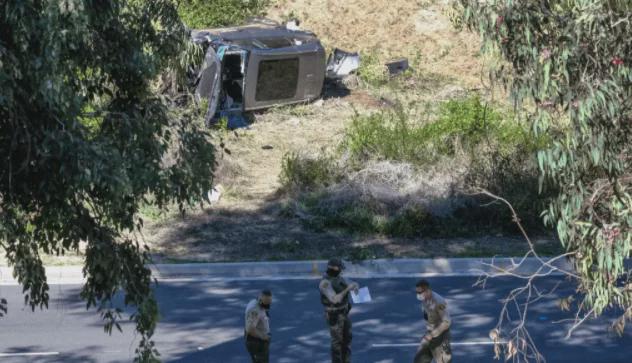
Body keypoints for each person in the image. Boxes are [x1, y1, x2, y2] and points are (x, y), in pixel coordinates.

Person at [319, 258, 359, 363]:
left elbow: (351, 284)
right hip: (334, 315)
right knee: (337, 343)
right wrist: (347, 289)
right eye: (339, 268)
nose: (341, 271)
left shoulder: (339, 277)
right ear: (333, 268)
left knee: (347, 339)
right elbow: (335, 299)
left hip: (344, 313)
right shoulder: (325, 283)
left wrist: (355, 286)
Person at [414, 279, 452, 363]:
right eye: (417, 292)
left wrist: (431, 335)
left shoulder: (438, 301)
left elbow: (446, 322)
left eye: (420, 292)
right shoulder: (425, 299)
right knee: (419, 360)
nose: (418, 295)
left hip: (441, 336)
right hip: (430, 333)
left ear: (427, 290)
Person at [245, 289, 272, 363]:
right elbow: (250, 329)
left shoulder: (255, 302)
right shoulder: (256, 310)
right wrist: (263, 336)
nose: (268, 306)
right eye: (266, 303)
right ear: (260, 298)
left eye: (269, 302)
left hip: (256, 340)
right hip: (257, 342)